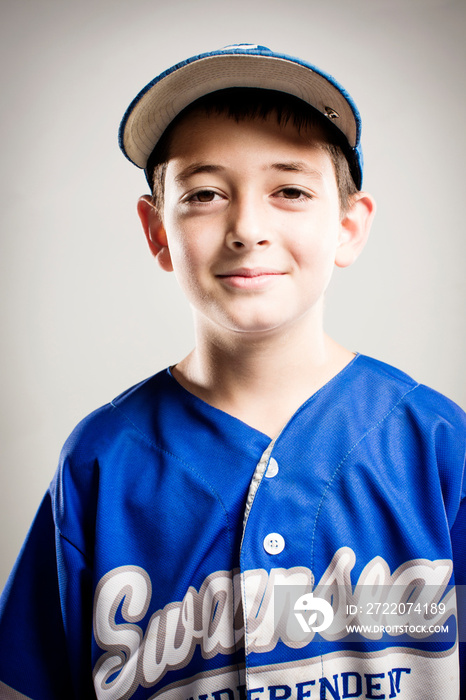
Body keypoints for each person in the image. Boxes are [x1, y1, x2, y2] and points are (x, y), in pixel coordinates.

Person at [0, 43, 464, 700]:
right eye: (206, 193)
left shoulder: (437, 443)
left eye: (291, 190)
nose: (247, 227)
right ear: (157, 230)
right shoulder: (101, 461)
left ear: (349, 228)